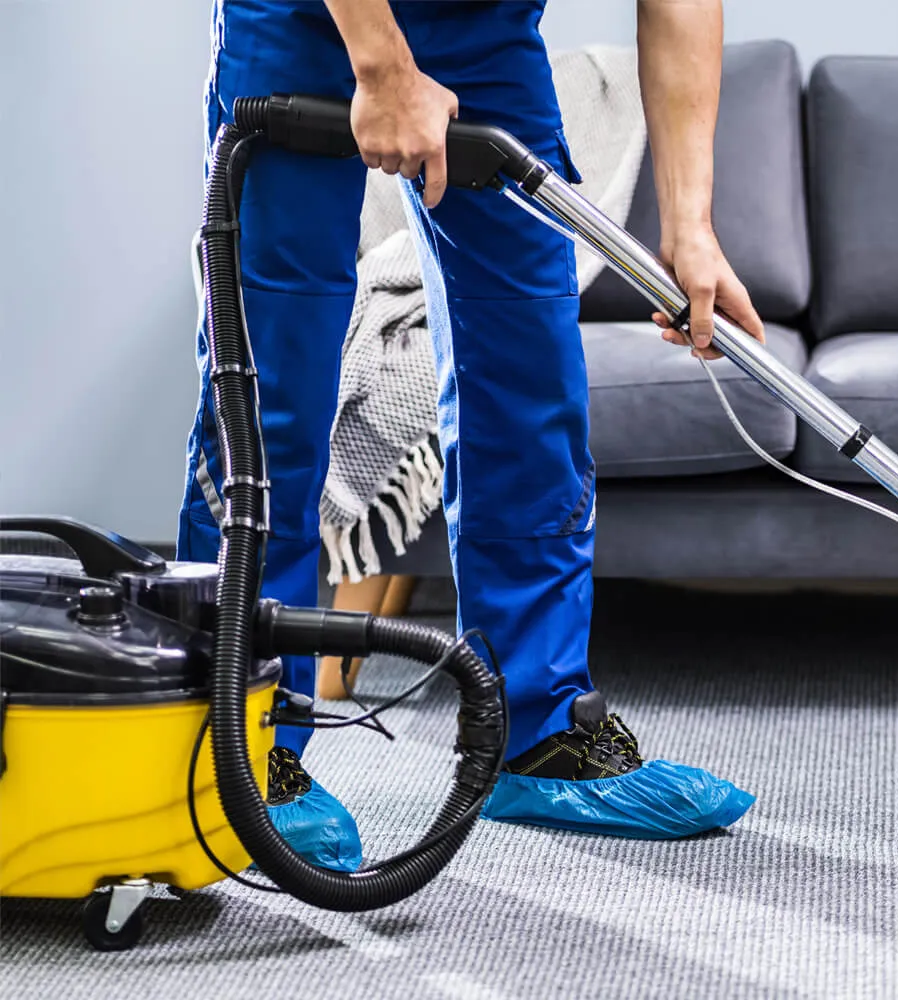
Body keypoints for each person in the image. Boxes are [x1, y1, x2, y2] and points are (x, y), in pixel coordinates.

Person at [181, 0, 762, 869]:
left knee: (528, 366)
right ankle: (234, 739)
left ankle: (539, 735)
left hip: (481, 26)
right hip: (305, 17)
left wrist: (690, 229)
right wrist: (380, 68)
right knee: (275, 377)